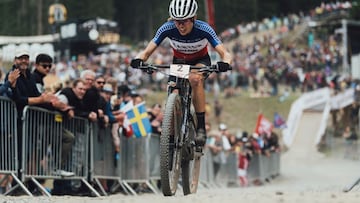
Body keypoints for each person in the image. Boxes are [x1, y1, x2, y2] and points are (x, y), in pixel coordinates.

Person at [130, 0, 232, 147]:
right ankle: (170, 135)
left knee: (195, 79)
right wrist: (138, 59)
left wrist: (225, 63)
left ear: (193, 19)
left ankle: (201, 127)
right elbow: (146, 52)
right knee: (173, 88)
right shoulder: (167, 28)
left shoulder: (204, 29)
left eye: (184, 21)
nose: (180, 26)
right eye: (177, 22)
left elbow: (225, 53)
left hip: (200, 60)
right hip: (179, 61)